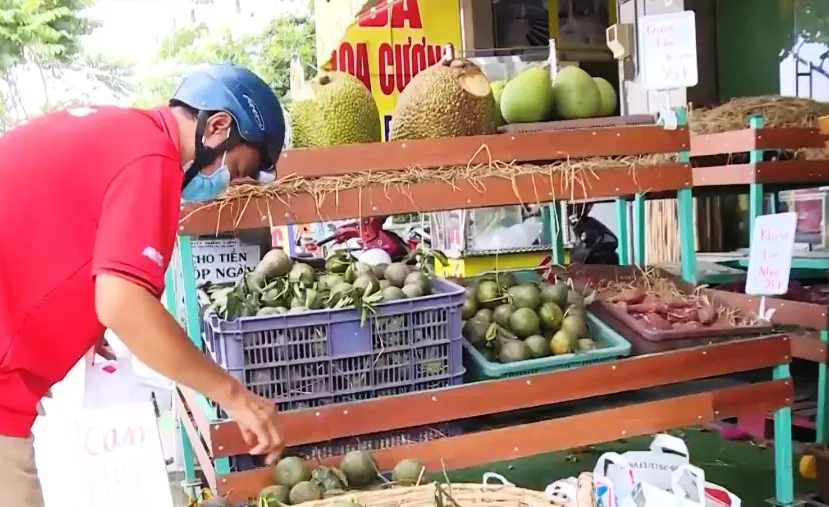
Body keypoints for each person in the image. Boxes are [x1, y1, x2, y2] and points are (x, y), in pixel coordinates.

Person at [0, 62, 287, 507]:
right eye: (236, 168)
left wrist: (82, 321)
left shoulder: (121, 132)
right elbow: (123, 302)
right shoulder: (152, 158)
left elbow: (56, 228)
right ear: (217, 126)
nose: (230, 184)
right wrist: (235, 397)